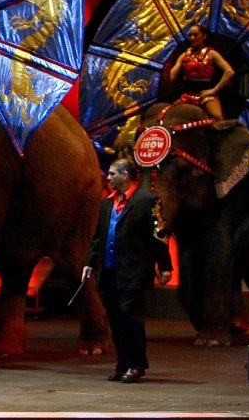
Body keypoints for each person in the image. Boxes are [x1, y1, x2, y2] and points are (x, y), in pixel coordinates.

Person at [82, 158, 173, 384]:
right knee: (115, 318)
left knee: (130, 315)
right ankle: (123, 363)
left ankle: (136, 364)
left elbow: (159, 235)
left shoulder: (147, 200)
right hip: (110, 269)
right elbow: (98, 238)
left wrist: (164, 265)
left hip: (134, 270)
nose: (109, 177)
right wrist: (90, 262)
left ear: (125, 175)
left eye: (113, 173)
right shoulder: (106, 204)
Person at [168, 24, 235, 120]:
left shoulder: (212, 54)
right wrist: (164, 75)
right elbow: (171, 76)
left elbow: (229, 72)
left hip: (206, 96)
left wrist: (213, 90)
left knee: (217, 118)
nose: (192, 38)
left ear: (204, 36)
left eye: (195, 35)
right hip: (187, 96)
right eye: (190, 35)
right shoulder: (184, 55)